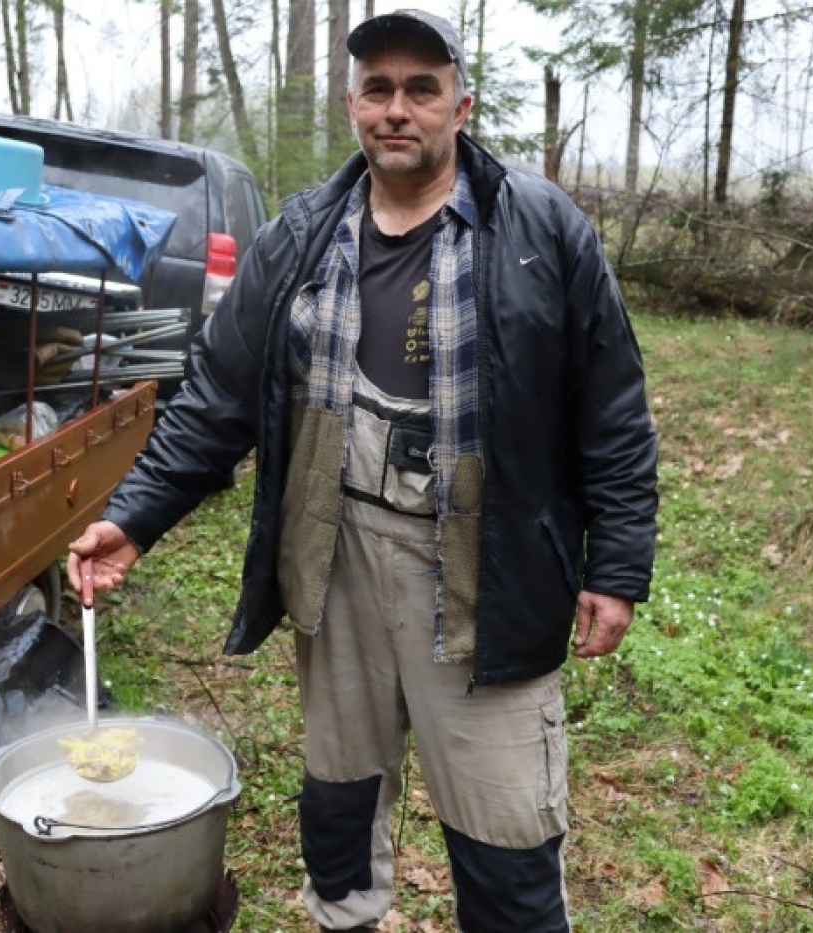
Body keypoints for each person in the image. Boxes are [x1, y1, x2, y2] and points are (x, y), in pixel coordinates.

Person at [67, 8, 658, 930]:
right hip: (335, 553)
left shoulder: (542, 232)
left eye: (421, 89)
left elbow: (613, 411)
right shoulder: (302, 235)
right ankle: (346, 915)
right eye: (378, 89)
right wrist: (134, 516)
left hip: (488, 571)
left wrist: (615, 567)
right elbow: (217, 394)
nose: (398, 110)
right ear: (352, 104)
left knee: (506, 832)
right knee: (339, 800)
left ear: (461, 104)